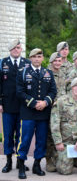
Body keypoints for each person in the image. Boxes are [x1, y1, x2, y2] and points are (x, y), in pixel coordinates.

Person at [16, 48, 57, 179]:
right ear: (30, 58)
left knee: (41, 140)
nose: (37, 59)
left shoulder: (48, 73)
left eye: (39, 56)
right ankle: (21, 165)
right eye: (34, 56)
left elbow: (53, 91)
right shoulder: (23, 72)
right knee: (25, 140)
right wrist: (34, 103)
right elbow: (20, 92)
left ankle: (37, 165)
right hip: (28, 112)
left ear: (43, 58)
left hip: (43, 113)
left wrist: (45, 102)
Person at [0, 39, 30, 173]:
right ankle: (8, 162)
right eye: (13, 48)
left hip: (23, 106)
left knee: (21, 135)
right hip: (7, 105)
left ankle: (20, 161)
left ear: (21, 49)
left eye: (18, 47)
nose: (16, 50)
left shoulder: (27, 63)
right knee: (8, 135)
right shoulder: (2, 63)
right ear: (10, 50)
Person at [45, 52, 66, 172]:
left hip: (61, 108)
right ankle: (48, 160)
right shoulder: (46, 73)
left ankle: (57, 157)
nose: (57, 63)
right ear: (51, 62)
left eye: (59, 61)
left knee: (59, 133)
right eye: (55, 61)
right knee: (49, 135)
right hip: (50, 107)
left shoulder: (63, 73)